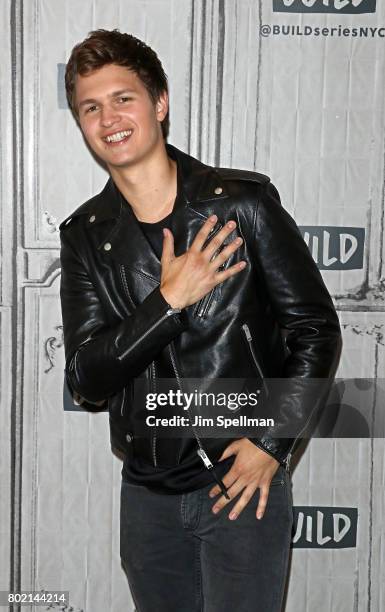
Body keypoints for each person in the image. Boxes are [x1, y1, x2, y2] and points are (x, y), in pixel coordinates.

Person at [60, 29, 342, 612]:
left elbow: (315, 331)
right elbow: (87, 378)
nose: (108, 117)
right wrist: (167, 303)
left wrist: (272, 440)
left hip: (241, 486)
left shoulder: (242, 205)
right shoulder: (86, 236)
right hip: (146, 496)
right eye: (91, 107)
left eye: (123, 97)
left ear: (159, 103)